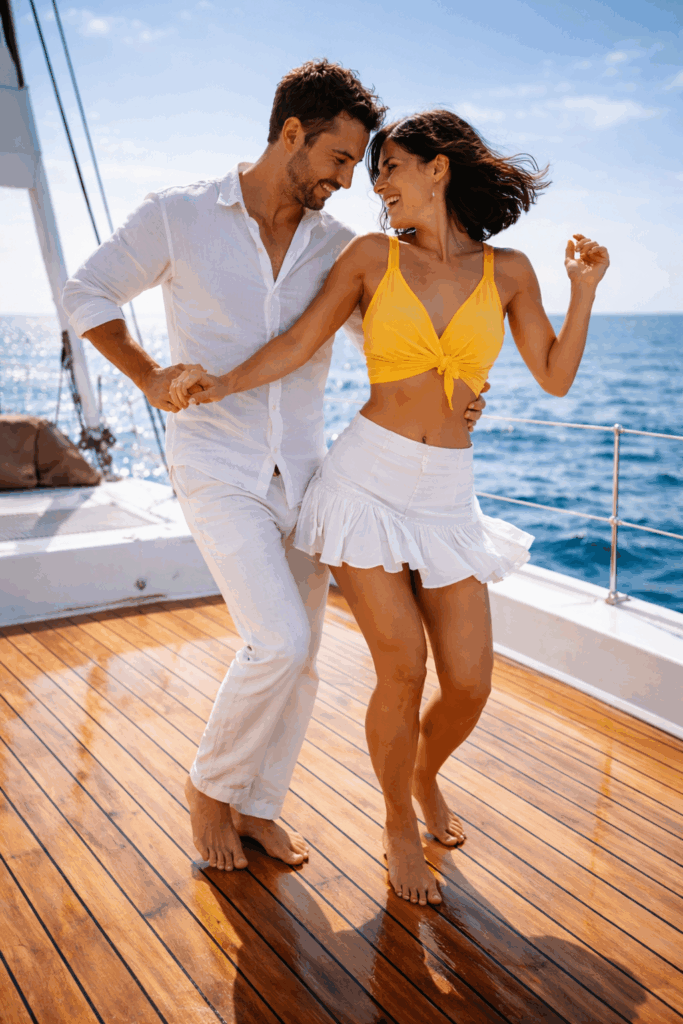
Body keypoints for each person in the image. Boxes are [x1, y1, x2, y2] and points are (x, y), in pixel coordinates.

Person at [170, 109, 610, 907]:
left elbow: (552, 374)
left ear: (437, 169)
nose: (377, 187)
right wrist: (224, 383)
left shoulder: (508, 271)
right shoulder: (372, 257)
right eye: (372, 172)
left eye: (391, 168)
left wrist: (582, 291)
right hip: (365, 485)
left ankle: (421, 773)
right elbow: (300, 342)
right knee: (401, 667)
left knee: (470, 682)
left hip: (446, 496)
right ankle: (395, 824)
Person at [61, 63, 489, 877]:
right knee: (279, 641)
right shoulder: (178, 215)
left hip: (305, 472)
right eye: (337, 158)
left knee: (302, 657)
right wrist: (150, 376)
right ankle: (208, 787)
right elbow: (89, 293)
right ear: (292, 133)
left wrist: (458, 394)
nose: (346, 180)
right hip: (216, 462)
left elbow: (399, 337)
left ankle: (257, 807)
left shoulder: (339, 247)